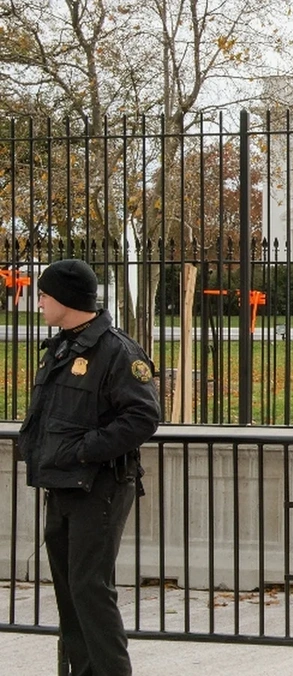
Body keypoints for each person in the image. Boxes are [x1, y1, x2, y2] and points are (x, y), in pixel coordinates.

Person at [16, 258, 160, 676]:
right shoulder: (62, 347)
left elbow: (142, 417)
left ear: (66, 298)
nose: (39, 302)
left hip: (99, 486)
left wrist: (83, 450)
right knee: (70, 593)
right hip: (61, 483)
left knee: (90, 590)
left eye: (44, 294)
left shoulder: (116, 351)